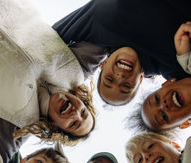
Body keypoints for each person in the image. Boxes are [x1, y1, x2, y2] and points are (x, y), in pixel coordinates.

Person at [0, 0, 95, 147]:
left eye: (73, 124)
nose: (75, 113)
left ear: (56, 127)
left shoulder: (18, 117)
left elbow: (1, 154)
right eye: (83, 112)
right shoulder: (72, 69)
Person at [53, 0, 191, 105]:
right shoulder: (172, 66)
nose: (120, 76)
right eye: (126, 86)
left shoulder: (96, 29)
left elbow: (46, 41)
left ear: (103, 64)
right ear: (140, 79)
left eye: (109, 79)